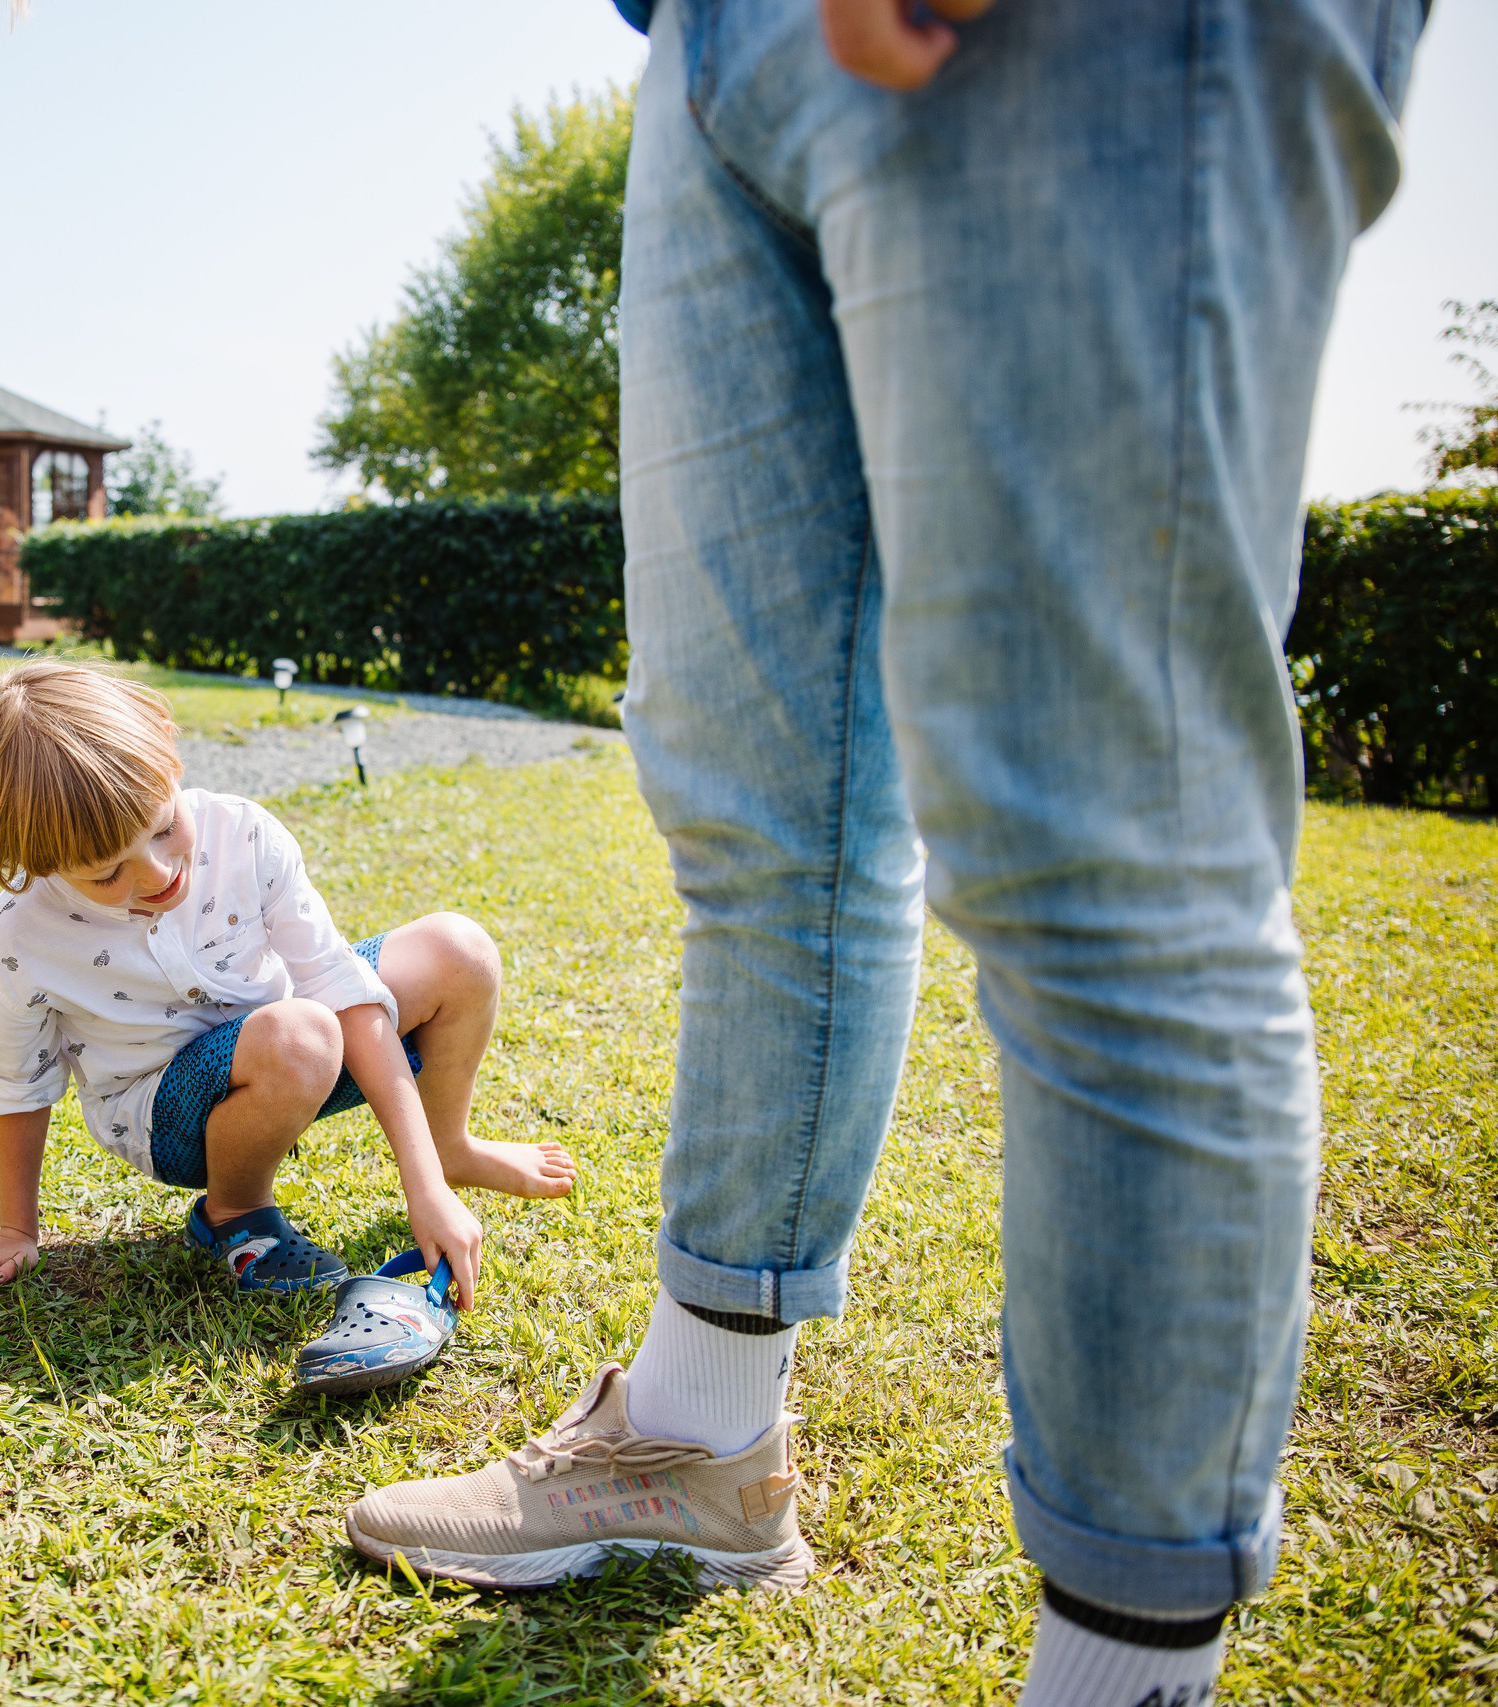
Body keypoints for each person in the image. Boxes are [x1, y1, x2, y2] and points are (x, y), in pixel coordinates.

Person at [347, 1, 1420, 1703]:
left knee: (1105, 849)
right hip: (709, 44)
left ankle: (1123, 1671)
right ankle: (699, 1441)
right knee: (760, 817)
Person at [0, 661, 576, 1309]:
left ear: (169, 752)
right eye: (106, 873)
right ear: (34, 860)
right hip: (170, 1113)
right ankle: (235, 1209)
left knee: (455, 950)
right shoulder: (15, 942)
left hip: (295, 1049)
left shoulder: (244, 835)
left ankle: (449, 1146)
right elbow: (19, 1083)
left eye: (162, 827)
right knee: (304, 1032)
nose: (156, 874)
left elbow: (340, 987)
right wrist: (17, 1229)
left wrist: (424, 1180)